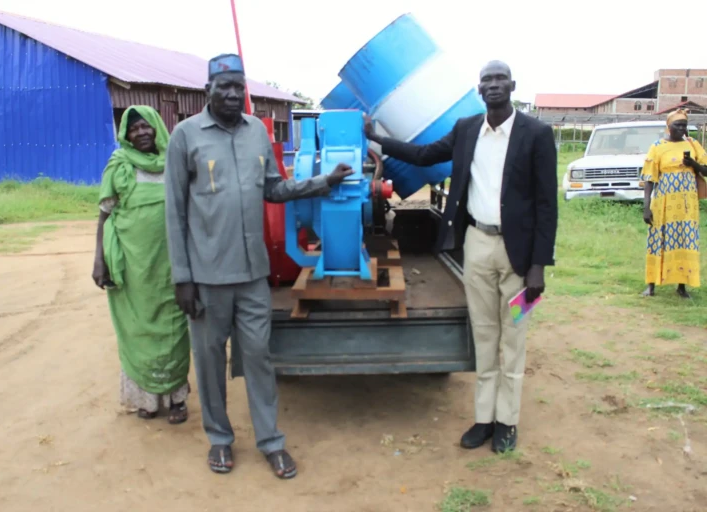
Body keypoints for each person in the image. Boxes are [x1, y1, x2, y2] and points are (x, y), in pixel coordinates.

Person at [164, 53, 353, 479]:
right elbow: (173, 213)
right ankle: (220, 440)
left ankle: (271, 442)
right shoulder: (185, 136)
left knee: (259, 359)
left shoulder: (256, 134)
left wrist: (324, 181)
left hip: (252, 276)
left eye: (238, 86)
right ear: (207, 90)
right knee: (210, 363)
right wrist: (183, 278)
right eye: (223, 86)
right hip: (207, 278)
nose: (232, 94)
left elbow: (274, 187)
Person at [364, 61, 558, 453]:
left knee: (513, 339)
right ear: (480, 88)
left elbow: (546, 204)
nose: (494, 85)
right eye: (487, 80)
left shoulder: (536, 133)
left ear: (512, 86)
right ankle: (484, 419)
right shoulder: (467, 129)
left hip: (519, 255)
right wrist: (377, 139)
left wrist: (539, 264)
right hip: (478, 245)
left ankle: (508, 422)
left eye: (500, 79)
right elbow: (422, 155)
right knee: (484, 336)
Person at [92, 106, 191, 425]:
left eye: (147, 126)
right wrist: (99, 260)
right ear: (125, 135)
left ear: (158, 128)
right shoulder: (119, 165)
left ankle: (177, 400)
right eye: (133, 129)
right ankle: (145, 399)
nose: (142, 133)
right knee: (137, 329)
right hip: (133, 266)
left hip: (171, 263)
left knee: (174, 329)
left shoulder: (176, 161)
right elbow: (105, 213)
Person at [642, 109, 707, 298]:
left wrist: (692, 164)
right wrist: (646, 207)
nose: (681, 129)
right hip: (663, 203)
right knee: (657, 240)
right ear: (668, 127)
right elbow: (649, 178)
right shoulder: (657, 146)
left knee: (685, 239)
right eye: (677, 125)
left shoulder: (693, 145)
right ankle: (651, 285)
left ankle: (682, 286)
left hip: (687, 205)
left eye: (684, 125)